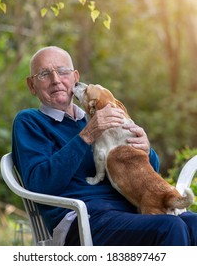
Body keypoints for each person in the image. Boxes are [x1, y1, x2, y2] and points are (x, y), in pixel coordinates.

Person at [12, 46, 197, 246]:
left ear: (75, 77)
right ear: (32, 85)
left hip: (130, 209)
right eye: (45, 74)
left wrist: (145, 150)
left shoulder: (97, 116)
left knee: (193, 223)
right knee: (170, 227)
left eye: (62, 71)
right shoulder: (30, 122)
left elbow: (145, 172)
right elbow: (39, 183)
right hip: (84, 220)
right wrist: (86, 136)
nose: (56, 80)